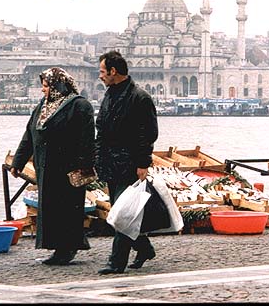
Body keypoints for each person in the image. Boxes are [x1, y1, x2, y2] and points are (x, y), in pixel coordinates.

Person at [11, 67, 95, 265]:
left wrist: (84, 166)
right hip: (46, 167)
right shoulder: (43, 106)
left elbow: (87, 139)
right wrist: (18, 162)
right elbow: (30, 135)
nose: (43, 90)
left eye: (46, 86)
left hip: (68, 168)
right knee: (50, 208)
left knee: (67, 209)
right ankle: (57, 247)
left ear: (58, 86)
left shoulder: (79, 106)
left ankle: (68, 248)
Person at [95, 51, 159, 275]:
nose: (100, 76)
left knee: (121, 214)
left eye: (102, 72)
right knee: (120, 212)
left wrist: (143, 163)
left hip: (130, 164)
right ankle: (144, 248)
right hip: (110, 163)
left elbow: (148, 133)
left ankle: (116, 262)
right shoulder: (110, 94)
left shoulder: (139, 97)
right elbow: (101, 130)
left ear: (113, 72)